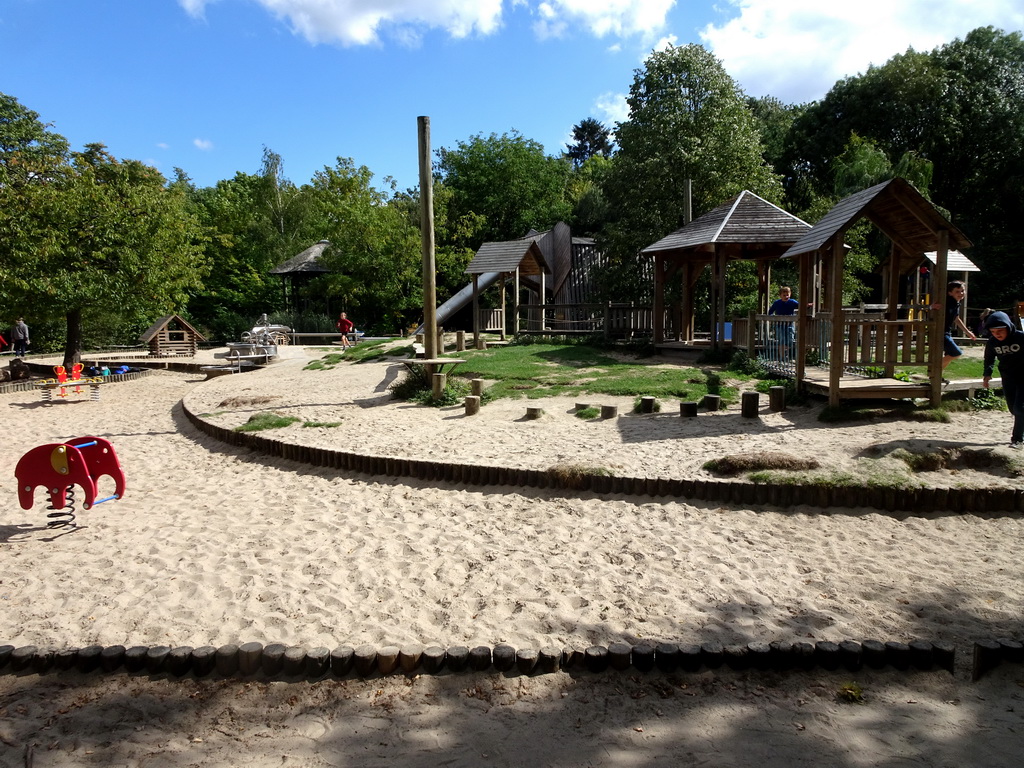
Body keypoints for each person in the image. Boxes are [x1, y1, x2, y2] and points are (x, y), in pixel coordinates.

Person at [982, 310, 1024, 449]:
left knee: (1019, 408)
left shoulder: (1021, 337)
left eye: (1000, 330)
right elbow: (989, 358)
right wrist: (987, 374)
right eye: (993, 331)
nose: (997, 334)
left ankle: (1017, 439)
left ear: (1008, 327)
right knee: (1013, 409)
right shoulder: (992, 342)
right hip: (1007, 376)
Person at [934, 280, 976, 381]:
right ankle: (933, 369)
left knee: (949, 355)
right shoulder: (947, 302)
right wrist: (931, 307)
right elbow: (933, 308)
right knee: (956, 353)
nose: (961, 293)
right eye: (957, 291)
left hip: (946, 332)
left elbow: (956, 319)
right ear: (950, 293)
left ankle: (937, 376)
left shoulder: (956, 303)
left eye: (962, 291)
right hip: (941, 332)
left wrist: (967, 332)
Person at [767, 286, 799, 360]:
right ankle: (782, 356)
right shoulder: (777, 303)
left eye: (787, 295)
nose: (786, 296)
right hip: (779, 324)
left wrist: (807, 306)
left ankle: (786, 354)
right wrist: (773, 318)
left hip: (790, 324)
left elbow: (800, 306)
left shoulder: (792, 302)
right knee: (781, 339)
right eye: (784, 295)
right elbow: (770, 311)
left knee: (790, 339)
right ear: (780, 295)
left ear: (790, 294)